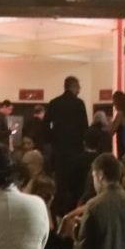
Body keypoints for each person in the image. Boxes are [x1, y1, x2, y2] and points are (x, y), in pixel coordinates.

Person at [47, 75, 91, 210]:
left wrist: (52, 140)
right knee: (75, 183)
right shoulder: (79, 104)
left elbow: (45, 126)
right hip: (75, 151)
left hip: (59, 151)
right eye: (78, 87)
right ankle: (73, 208)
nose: (79, 90)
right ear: (73, 87)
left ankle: (59, 210)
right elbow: (84, 127)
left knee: (61, 183)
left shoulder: (54, 103)